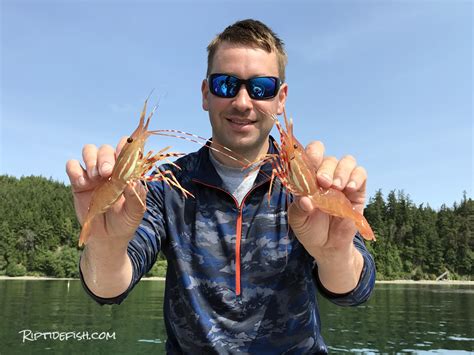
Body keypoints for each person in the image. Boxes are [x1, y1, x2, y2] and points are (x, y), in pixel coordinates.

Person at [66, 19, 376, 354]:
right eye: (226, 84)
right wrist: (104, 244)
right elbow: (107, 289)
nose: (243, 102)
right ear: (205, 93)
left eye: (261, 88)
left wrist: (335, 254)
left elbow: (353, 290)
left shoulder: (309, 182)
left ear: (281, 98)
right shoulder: (165, 185)